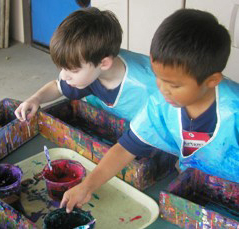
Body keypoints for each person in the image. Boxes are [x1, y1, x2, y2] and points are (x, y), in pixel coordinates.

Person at [60, 8, 239, 213]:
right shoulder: (161, 104)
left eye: (174, 85)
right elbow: (126, 147)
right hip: (198, 196)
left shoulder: (233, 112)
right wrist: (87, 185)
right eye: (157, 77)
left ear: (212, 81)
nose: (162, 89)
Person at [15, 7, 157, 122]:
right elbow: (58, 87)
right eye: (63, 68)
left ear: (104, 63)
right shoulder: (91, 70)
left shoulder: (149, 88)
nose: (64, 76)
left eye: (73, 70)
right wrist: (36, 98)